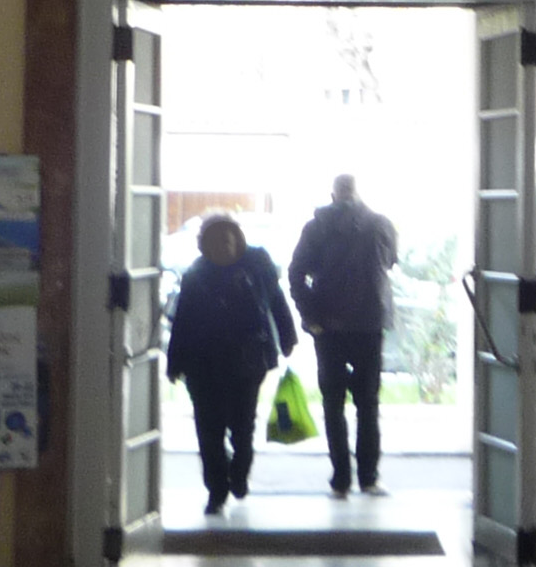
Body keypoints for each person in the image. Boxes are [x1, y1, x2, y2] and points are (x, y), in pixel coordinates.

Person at [164, 213, 295, 517]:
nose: (223, 246)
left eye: (228, 239)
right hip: (203, 365)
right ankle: (216, 489)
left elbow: (276, 302)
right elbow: (183, 321)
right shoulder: (196, 275)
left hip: (246, 362)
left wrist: (287, 337)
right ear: (204, 247)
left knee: (242, 426)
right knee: (208, 431)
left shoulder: (258, 266)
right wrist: (175, 363)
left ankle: (238, 473)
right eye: (215, 241)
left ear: (238, 239)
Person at [288, 172, 401, 497]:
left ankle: (341, 479)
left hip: (330, 327)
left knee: (334, 404)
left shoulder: (317, 227)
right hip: (368, 324)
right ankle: (368, 477)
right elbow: (389, 263)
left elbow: (296, 273)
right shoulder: (380, 224)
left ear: (333, 194)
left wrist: (311, 317)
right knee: (367, 404)